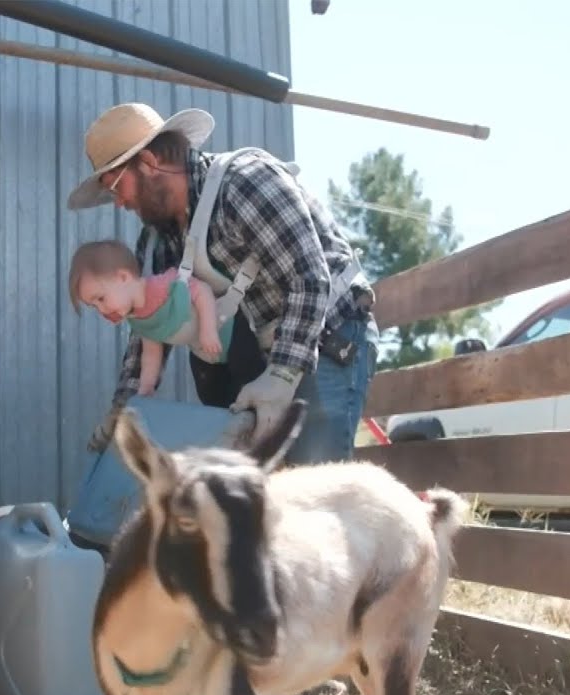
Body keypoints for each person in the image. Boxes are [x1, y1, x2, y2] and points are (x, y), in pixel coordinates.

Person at [66, 102, 379, 465]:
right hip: (265, 350)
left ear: (150, 163)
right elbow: (149, 319)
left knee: (314, 486)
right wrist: (124, 409)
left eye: (116, 187)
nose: (119, 203)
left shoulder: (245, 183)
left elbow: (309, 276)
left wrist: (281, 374)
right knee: (261, 490)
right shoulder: (159, 240)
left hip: (330, 333)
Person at [67, 238, 256, 395]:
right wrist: (146, 387)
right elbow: (151, 352)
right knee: (213, 396)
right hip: (205, 354)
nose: (101, 309)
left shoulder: (161, 286)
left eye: (101, 298)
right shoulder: (138, 317)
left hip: (230, 332)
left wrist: (208, 330)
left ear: (123, 277)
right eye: (94, 306)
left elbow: (202, 291)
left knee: (249, 381)